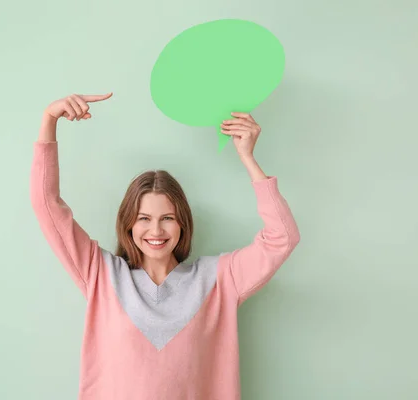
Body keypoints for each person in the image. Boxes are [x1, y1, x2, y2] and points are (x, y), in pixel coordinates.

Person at [30, 92, 300, 399]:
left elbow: (283, 238)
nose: (155, 230)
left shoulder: (220, 279)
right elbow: (46, 204)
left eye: (167, 217)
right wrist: (49, 120)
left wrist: (249, 159)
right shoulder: (101, 274)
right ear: (129, 223)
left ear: (182, 222)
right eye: (144, 218)